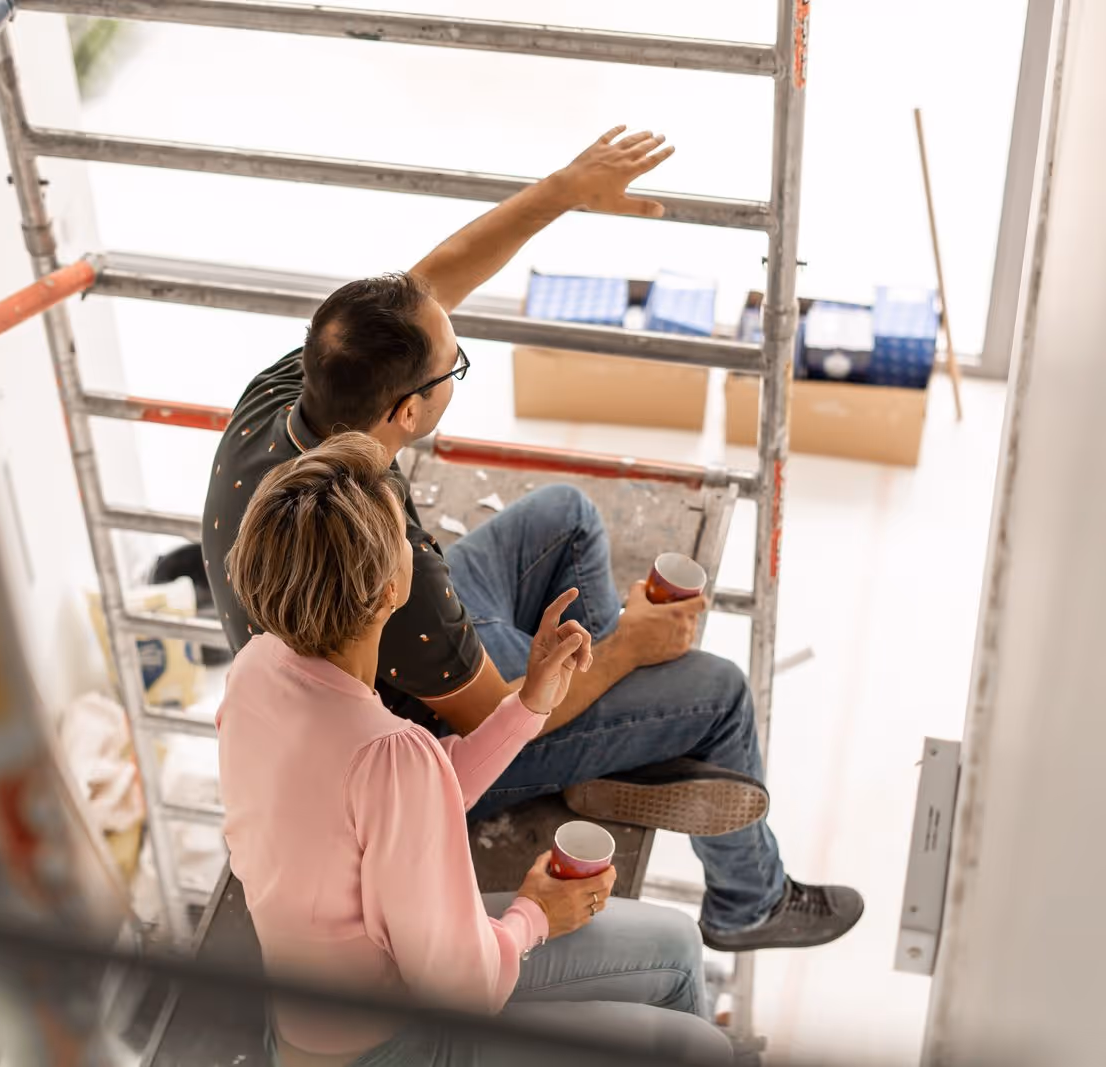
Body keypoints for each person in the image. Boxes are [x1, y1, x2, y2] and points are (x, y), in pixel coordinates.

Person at [203, 126, 862, 951]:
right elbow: (494, 710)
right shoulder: (387, 568)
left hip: (371, 654)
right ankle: (745, 899)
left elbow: (431, 287)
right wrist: (630, 653)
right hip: (428, 719)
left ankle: (617, 749)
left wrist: (564, 189)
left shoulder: (289, 391)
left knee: (566, 515)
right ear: (407, 412)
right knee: (718, 691)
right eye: (454, 367)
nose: (454, 359)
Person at [217, 434, 733, 1067]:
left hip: (313, 1017)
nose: (417, 544)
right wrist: (534, 915)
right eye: (406, 537)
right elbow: (463, 991)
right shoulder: (386, 753)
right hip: (392, 1046)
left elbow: (413, 800)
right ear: (389, 594)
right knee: (700, 1047)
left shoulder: (256, 669)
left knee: (679, 943)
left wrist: (529, 703)